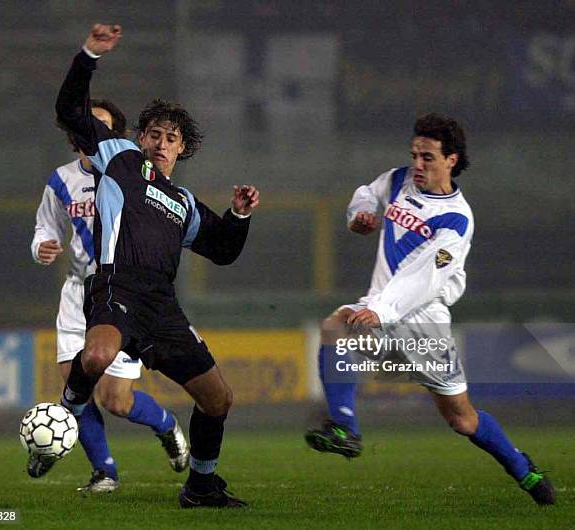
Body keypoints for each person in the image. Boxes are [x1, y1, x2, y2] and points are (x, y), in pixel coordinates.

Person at [55, 24, 259, 508]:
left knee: (218, 399)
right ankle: (68, 409)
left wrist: (239, 216)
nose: (163, 142)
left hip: (162, 307)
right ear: (141, 137)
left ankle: (201, 485)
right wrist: (89, 55)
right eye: (156, 134)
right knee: (100, 355)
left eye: (173, 138)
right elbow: (69, 110)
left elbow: (223, 249)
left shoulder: (184, 202)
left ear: (183, 147)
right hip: (115, 286)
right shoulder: (120, 158)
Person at [305, 113, 555, 506]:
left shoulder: (456, 219)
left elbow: (425, 278)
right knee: (335, 327)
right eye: (415, 155)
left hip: (424, 327)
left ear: (451, 159)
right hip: (382, 313)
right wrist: (361, 216)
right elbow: (367, 192)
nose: (417, 165)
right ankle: (345, 429)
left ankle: (523, 468)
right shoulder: (398, 179)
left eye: (428, 158)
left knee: (462, 419)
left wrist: (382, 310)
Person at [30, 98, 189, 493]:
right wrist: (43, 247)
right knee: (75, 391)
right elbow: (43, 229)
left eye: (100, 126)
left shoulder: (129, 173)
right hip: (76, 295)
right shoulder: (61, 180)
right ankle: (105, 472)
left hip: (121, 293)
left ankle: (166, 425)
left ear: (113, 135)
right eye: (86, 124)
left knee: (117, 400)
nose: (91, 131)